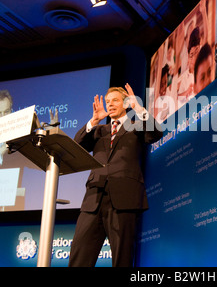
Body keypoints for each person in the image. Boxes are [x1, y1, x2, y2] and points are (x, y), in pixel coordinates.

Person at [68, 83, 163, 267]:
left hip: (124, 199)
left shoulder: (136, 127)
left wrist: (139, 108)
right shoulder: (98, 131)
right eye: (108, 101)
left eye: (115, 101)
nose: (110, 104)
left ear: (126, 104)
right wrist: (94, 120)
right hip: (93, 200)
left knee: (122, 258)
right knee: (79, 257)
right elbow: (76, 145)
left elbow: (156, 133)